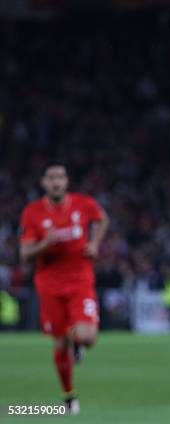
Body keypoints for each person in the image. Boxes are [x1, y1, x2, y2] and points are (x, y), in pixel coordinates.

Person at [19, 164, 109, 415]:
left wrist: (95, 243)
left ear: (66, 181)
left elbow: (102, 219)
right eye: (51, 177)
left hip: (80, 281)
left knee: (89, 337)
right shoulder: (33, 213)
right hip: (49, 286)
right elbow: (24, 254)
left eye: (60, 176)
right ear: (43, 183)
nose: (56, 181)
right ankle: (69, 396)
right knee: (59, 343)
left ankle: (77, 343)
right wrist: (45, 243)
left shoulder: (83, 204)